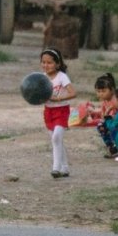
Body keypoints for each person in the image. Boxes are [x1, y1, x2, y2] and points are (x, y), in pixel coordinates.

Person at [41, 48, 76, 178]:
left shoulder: (62, 77)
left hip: (61, 111)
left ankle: (55, 168)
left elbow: (73, 93)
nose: (46, 65)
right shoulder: (42, 78)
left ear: (57, 64)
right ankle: (65, 168)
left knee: (56, 138)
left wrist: (59, 99)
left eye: (49, 62)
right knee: (57, 140)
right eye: (43, 62)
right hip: (48, 112)